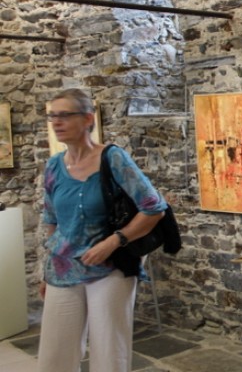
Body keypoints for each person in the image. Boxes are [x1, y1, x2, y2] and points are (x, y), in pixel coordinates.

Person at [38, 88, 166, 372]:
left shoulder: (113, 158)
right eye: (52, 116)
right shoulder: (53, 166)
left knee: (109, 351)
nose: (56, 122)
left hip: (110, 268)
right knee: (54, 354)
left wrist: (113, 241)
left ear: (87, 118)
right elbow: (51, 219)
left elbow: (154, 208)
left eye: (64, 115)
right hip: (63, 268)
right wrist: (46, 270)